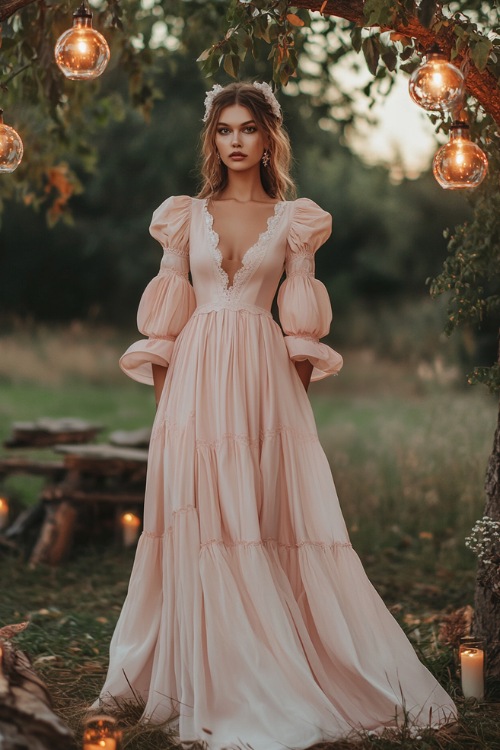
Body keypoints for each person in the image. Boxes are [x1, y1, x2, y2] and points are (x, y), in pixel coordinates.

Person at [94, 81, 457, 749]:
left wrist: (287, 418)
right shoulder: (182, 216)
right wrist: (168, 418)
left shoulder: (296, 221)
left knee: (260, 523)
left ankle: (276, 668)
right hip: (194, 382)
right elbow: (165, 328)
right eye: (225, 129)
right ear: (214, 139)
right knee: (199, 522)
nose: (235, 141)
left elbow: (301, 330)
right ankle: (201, 669)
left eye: (248, 129)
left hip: (264, 384)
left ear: (268, 139)